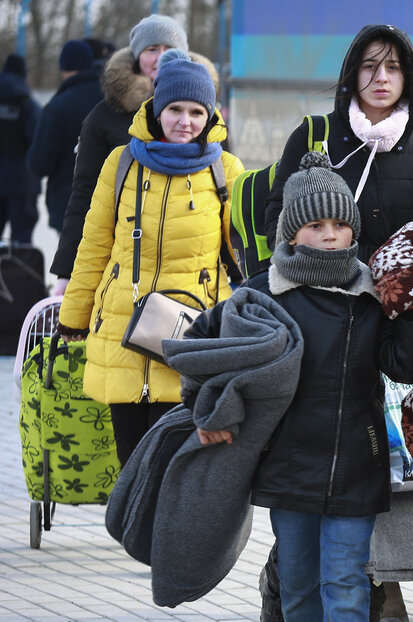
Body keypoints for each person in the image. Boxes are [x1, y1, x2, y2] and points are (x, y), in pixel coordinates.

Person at [188, 151, 413, 622]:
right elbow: (202, 349)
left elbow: (405, 366)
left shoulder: (373, 294)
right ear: (291, 232)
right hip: (287, 465)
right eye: (315, 226)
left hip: (356, 458)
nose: (329, 236)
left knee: (346, 574)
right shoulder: (262, 293)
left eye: (339, 226)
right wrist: (208, 410)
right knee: (298, 575)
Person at [260, 23, 413, 622]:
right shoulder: (313, 138)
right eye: (368, 66)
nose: (380, 77)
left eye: (392, 67)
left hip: (385, 329)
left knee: (380, 481)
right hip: (315, 319)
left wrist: (412, 302)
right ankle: (297, 588)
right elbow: (276, 225)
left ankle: (365, 620)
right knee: (319, 474)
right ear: (351, 75)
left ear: (409, 79)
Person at [56, 49, 243, 467]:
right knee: (131, 467)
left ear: (210, 116)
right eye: (175, 108)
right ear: (156, 109)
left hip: (190, 337)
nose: (185, 121)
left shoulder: (225, 171)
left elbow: (241, 256)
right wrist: (73, 315)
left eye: (197, 111)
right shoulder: (120, 163)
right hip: (122, 328)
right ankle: (133, 535)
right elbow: (94, 247)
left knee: (173, 471)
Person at [49, 13, 199, 294]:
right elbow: (85, 195)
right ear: (136, 57)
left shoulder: (203, 116)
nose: (160, 57)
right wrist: (66, 272)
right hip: (124, 261)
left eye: (169, 49)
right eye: (151, 49)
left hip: (189, 265)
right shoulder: (105, 117)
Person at [28, 40, 102, 234]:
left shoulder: (57, 106)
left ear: (63, 68)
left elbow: (40, 164)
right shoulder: (110, 99)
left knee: (70, 263)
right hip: (109, 205)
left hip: (68, 205)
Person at [0, 53, 41, 244]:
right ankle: (18, 274)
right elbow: (38, 140)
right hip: (23, 182)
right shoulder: (29, 105)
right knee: (22, 244)